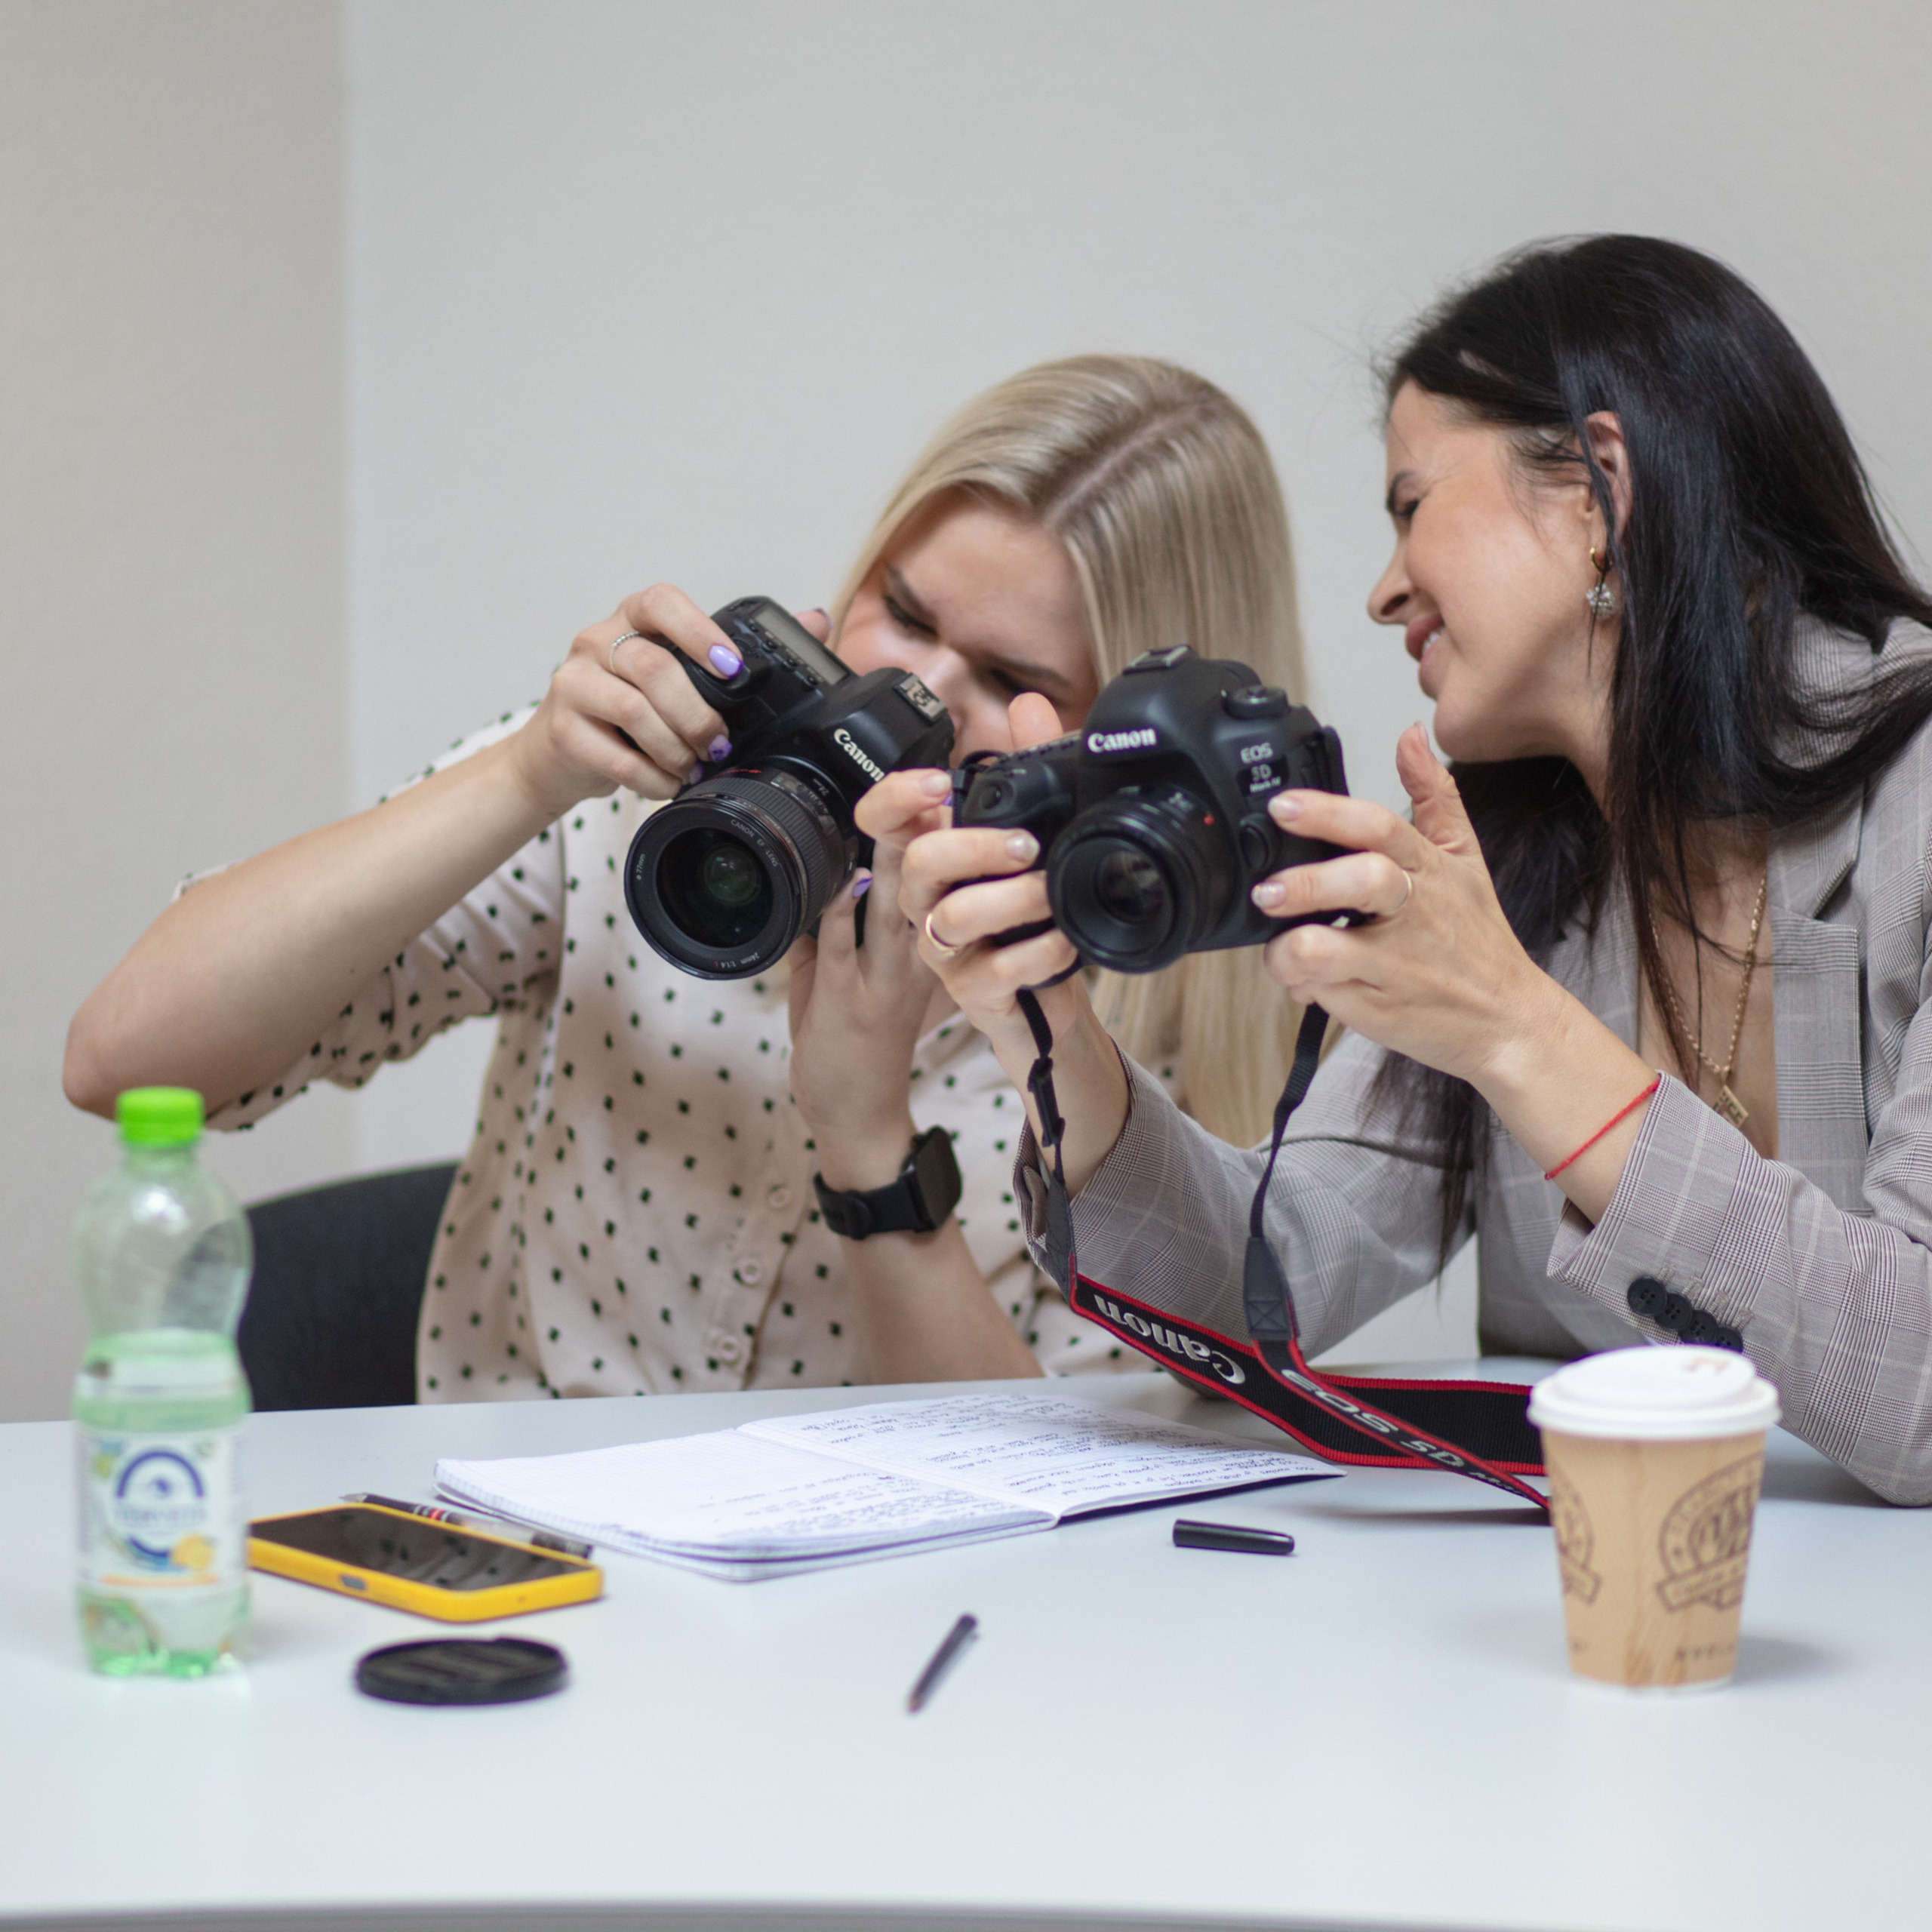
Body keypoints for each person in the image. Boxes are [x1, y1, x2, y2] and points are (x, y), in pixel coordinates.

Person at [880, 236, 1932, 1505]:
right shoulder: (1517, 868)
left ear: (1598, 490)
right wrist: (1048, 1025)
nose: (1384, 595)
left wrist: (1520, 1033)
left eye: (1412, 504)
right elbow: (1262, 1293)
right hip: (1582, 1643)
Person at [64, 355, 1306, 1399]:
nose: (925, 694)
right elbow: (124, 1064)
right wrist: (527, 773)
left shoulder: (1139, 1008)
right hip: (518, 1592)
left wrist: (867, 1142)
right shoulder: (631, 819)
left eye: (1015, 678)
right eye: (904, 613)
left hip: (886, 1647)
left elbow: (1060, 1532)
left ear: (1127, 740)